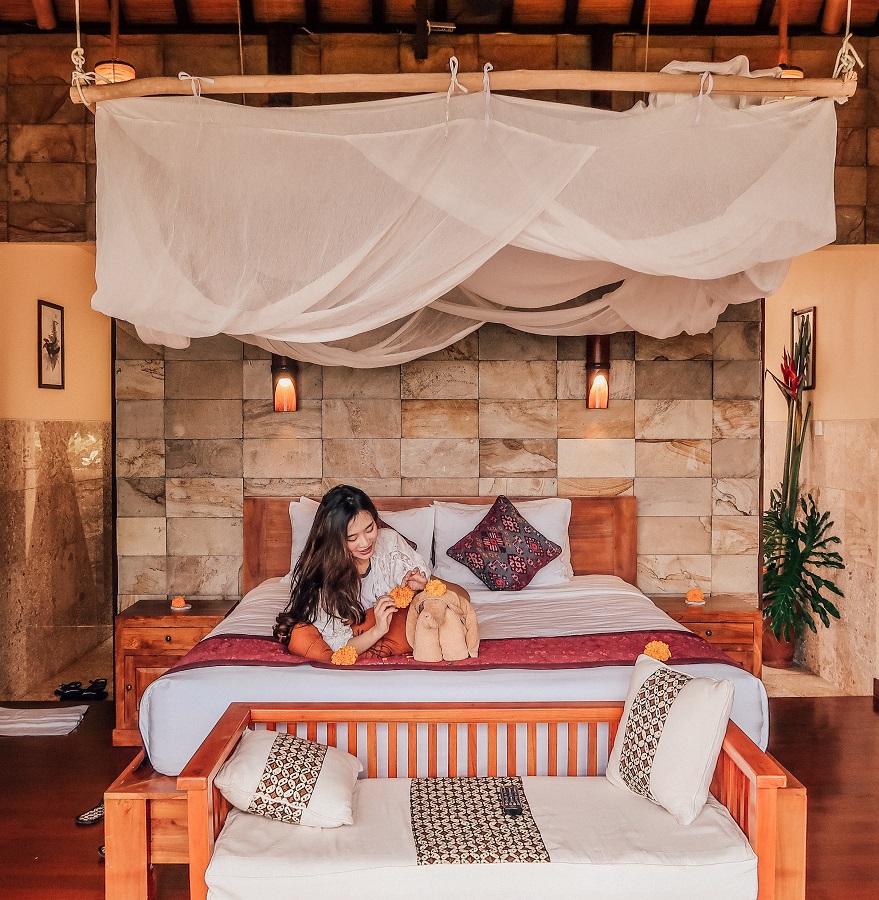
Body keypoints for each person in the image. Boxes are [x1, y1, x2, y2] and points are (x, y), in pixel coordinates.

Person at [273, 485, 430, 661]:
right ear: (333, 539)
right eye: (352, 538)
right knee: (300, 636)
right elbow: (338, 649)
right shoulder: (321, 579)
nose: (365, 543)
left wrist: (419, 588)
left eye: (370, 529)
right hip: (360, 638)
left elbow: (422, 587)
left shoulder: (390, 543)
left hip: (395, 629)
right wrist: (378, 630)